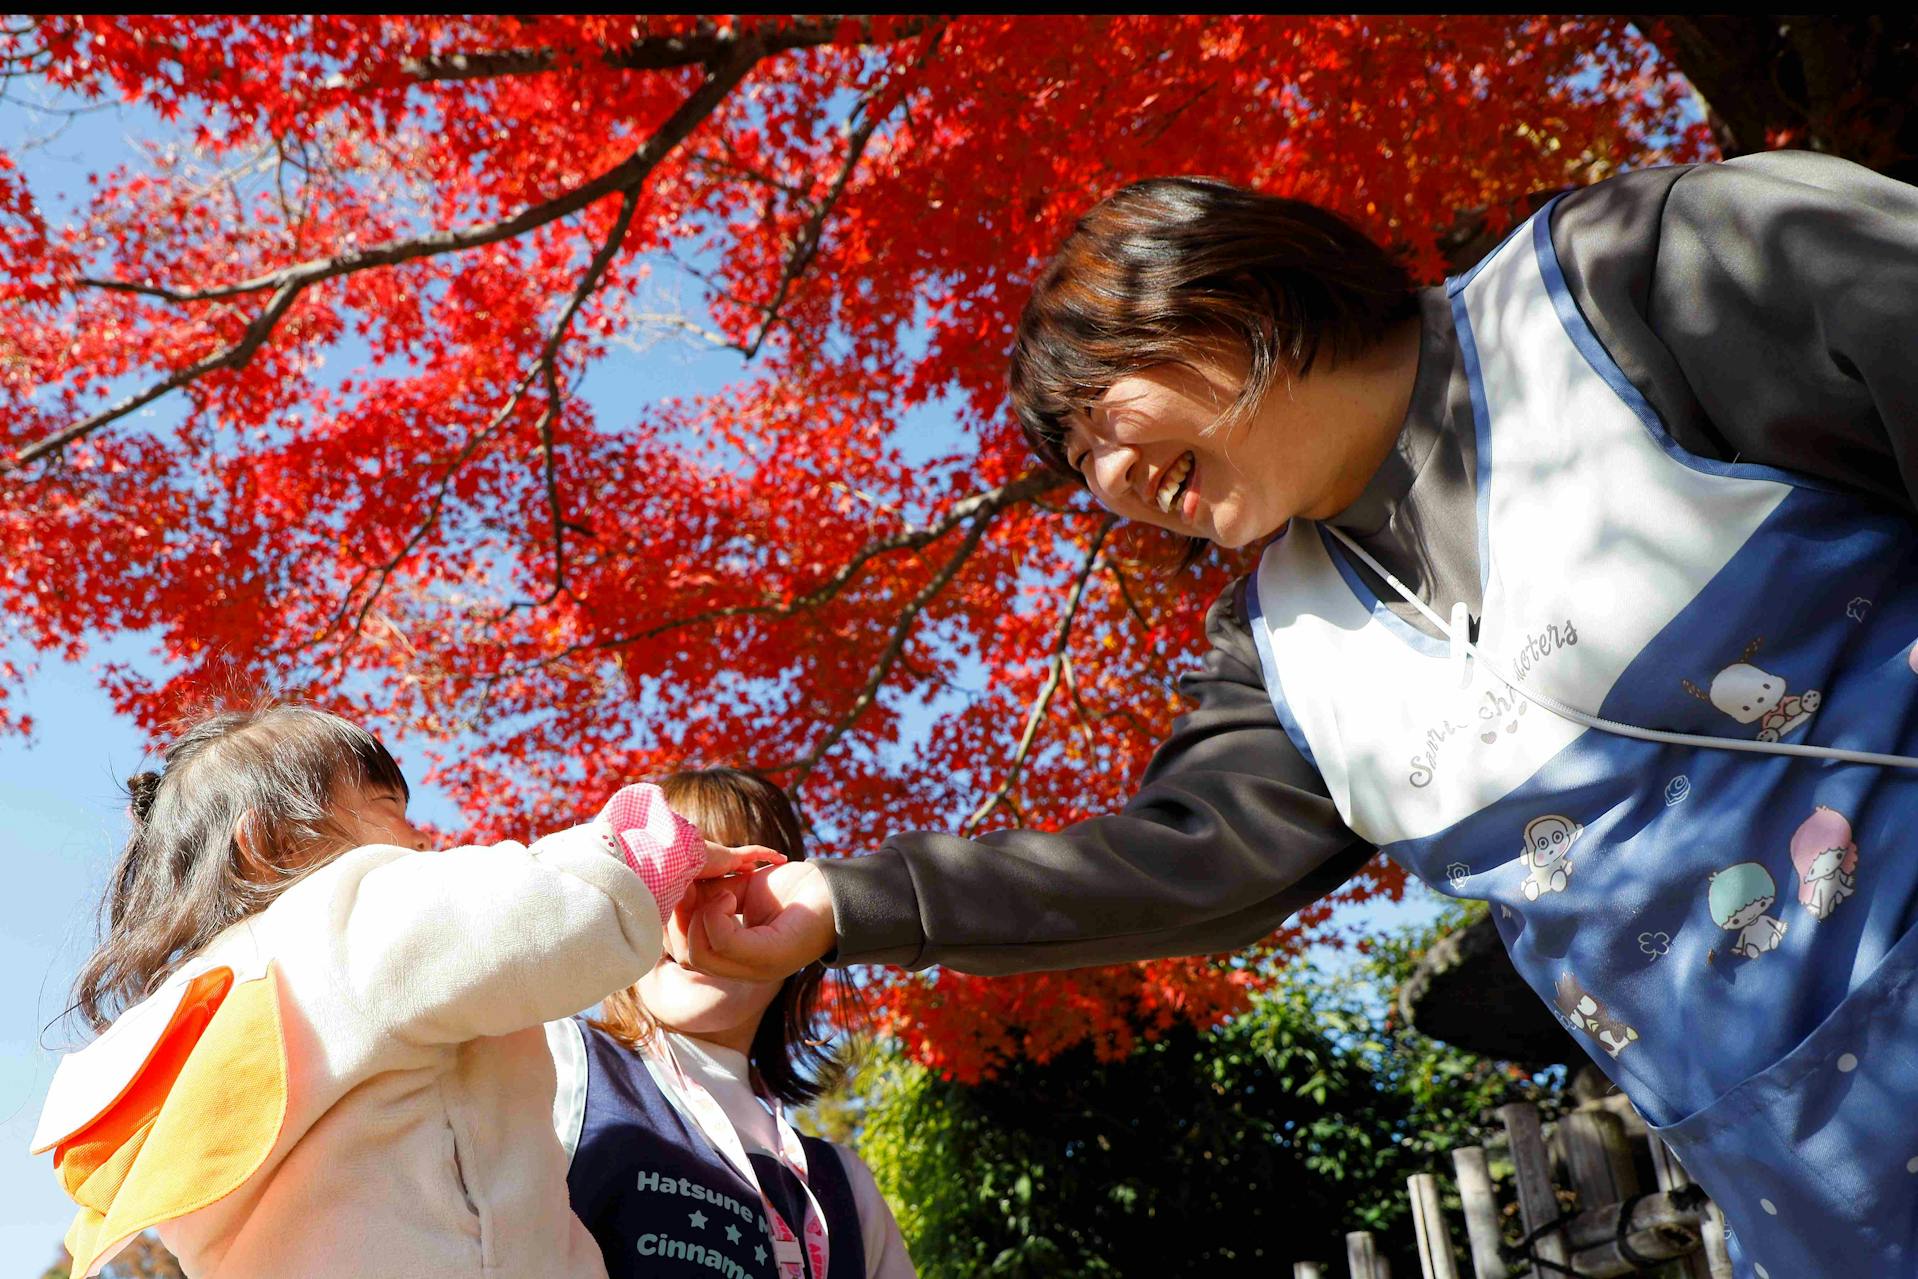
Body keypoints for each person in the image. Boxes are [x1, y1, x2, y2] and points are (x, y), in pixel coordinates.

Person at [681, 152, 1918, 1279]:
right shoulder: (1279, 647)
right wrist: (838, 905)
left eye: (1098, 403)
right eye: (1075, 466)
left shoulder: (1637, 274)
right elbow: (1178, 861)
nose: (1106, 481)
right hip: (1810, 1199)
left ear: (1218, 288)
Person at [31, 702, 780, 1279]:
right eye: (390, 807)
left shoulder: (193, 1022)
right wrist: (655, 850)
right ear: (269, 844)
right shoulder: (342, 921)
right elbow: (543, 911)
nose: (422, 839)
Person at [548, 768, 913, 1279]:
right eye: (669, 884)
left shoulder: (848, 1190)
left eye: (740, 888)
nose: (699, 920)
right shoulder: (553, 1067)